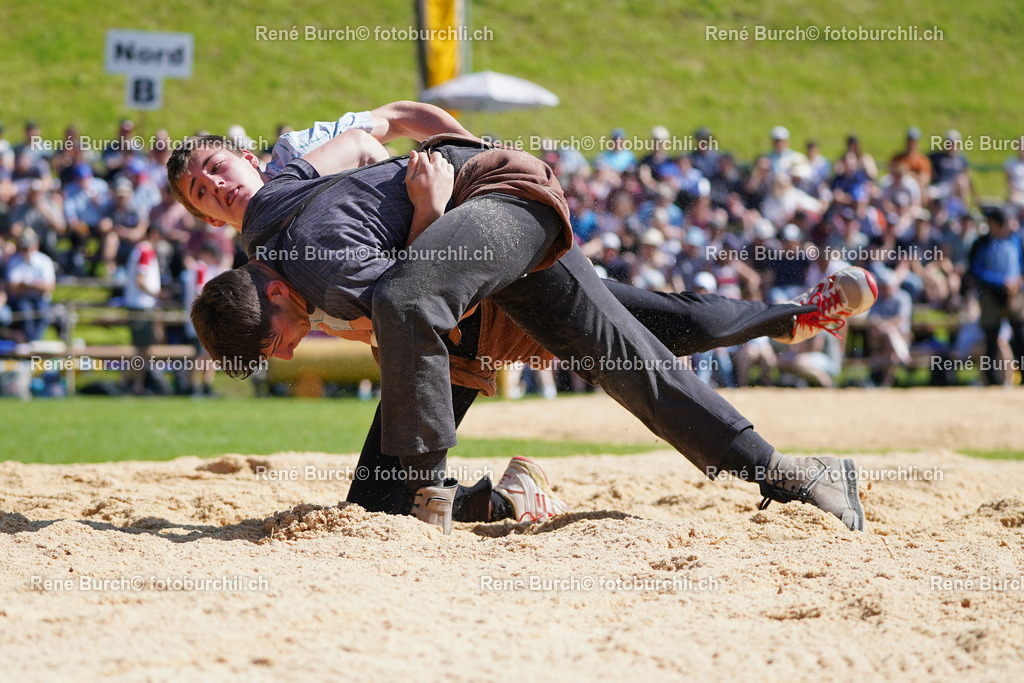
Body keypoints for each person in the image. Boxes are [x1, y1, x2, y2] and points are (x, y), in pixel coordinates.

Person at [175, 129, 876, 536]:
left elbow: (374, 145)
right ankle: (503, 499)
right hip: (471, 302)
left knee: (655, 327)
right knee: (629, 351)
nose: (287, 351)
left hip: (499, 201)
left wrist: (440, 174)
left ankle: (433, 494)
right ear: (208, 222)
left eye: (216, 166)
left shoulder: (298, 232)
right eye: (201, 192)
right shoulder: (275, 245)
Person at [968, 206, 1024, 385]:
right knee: (991, 336)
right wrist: (1001, 281)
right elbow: (976, 270)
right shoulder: (981, 243)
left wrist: (1017, 282)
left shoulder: (1016, 240)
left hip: (1014, 293)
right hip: (990, 294)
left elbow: (1021, 265)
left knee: (1020, 334)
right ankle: (991, 379)